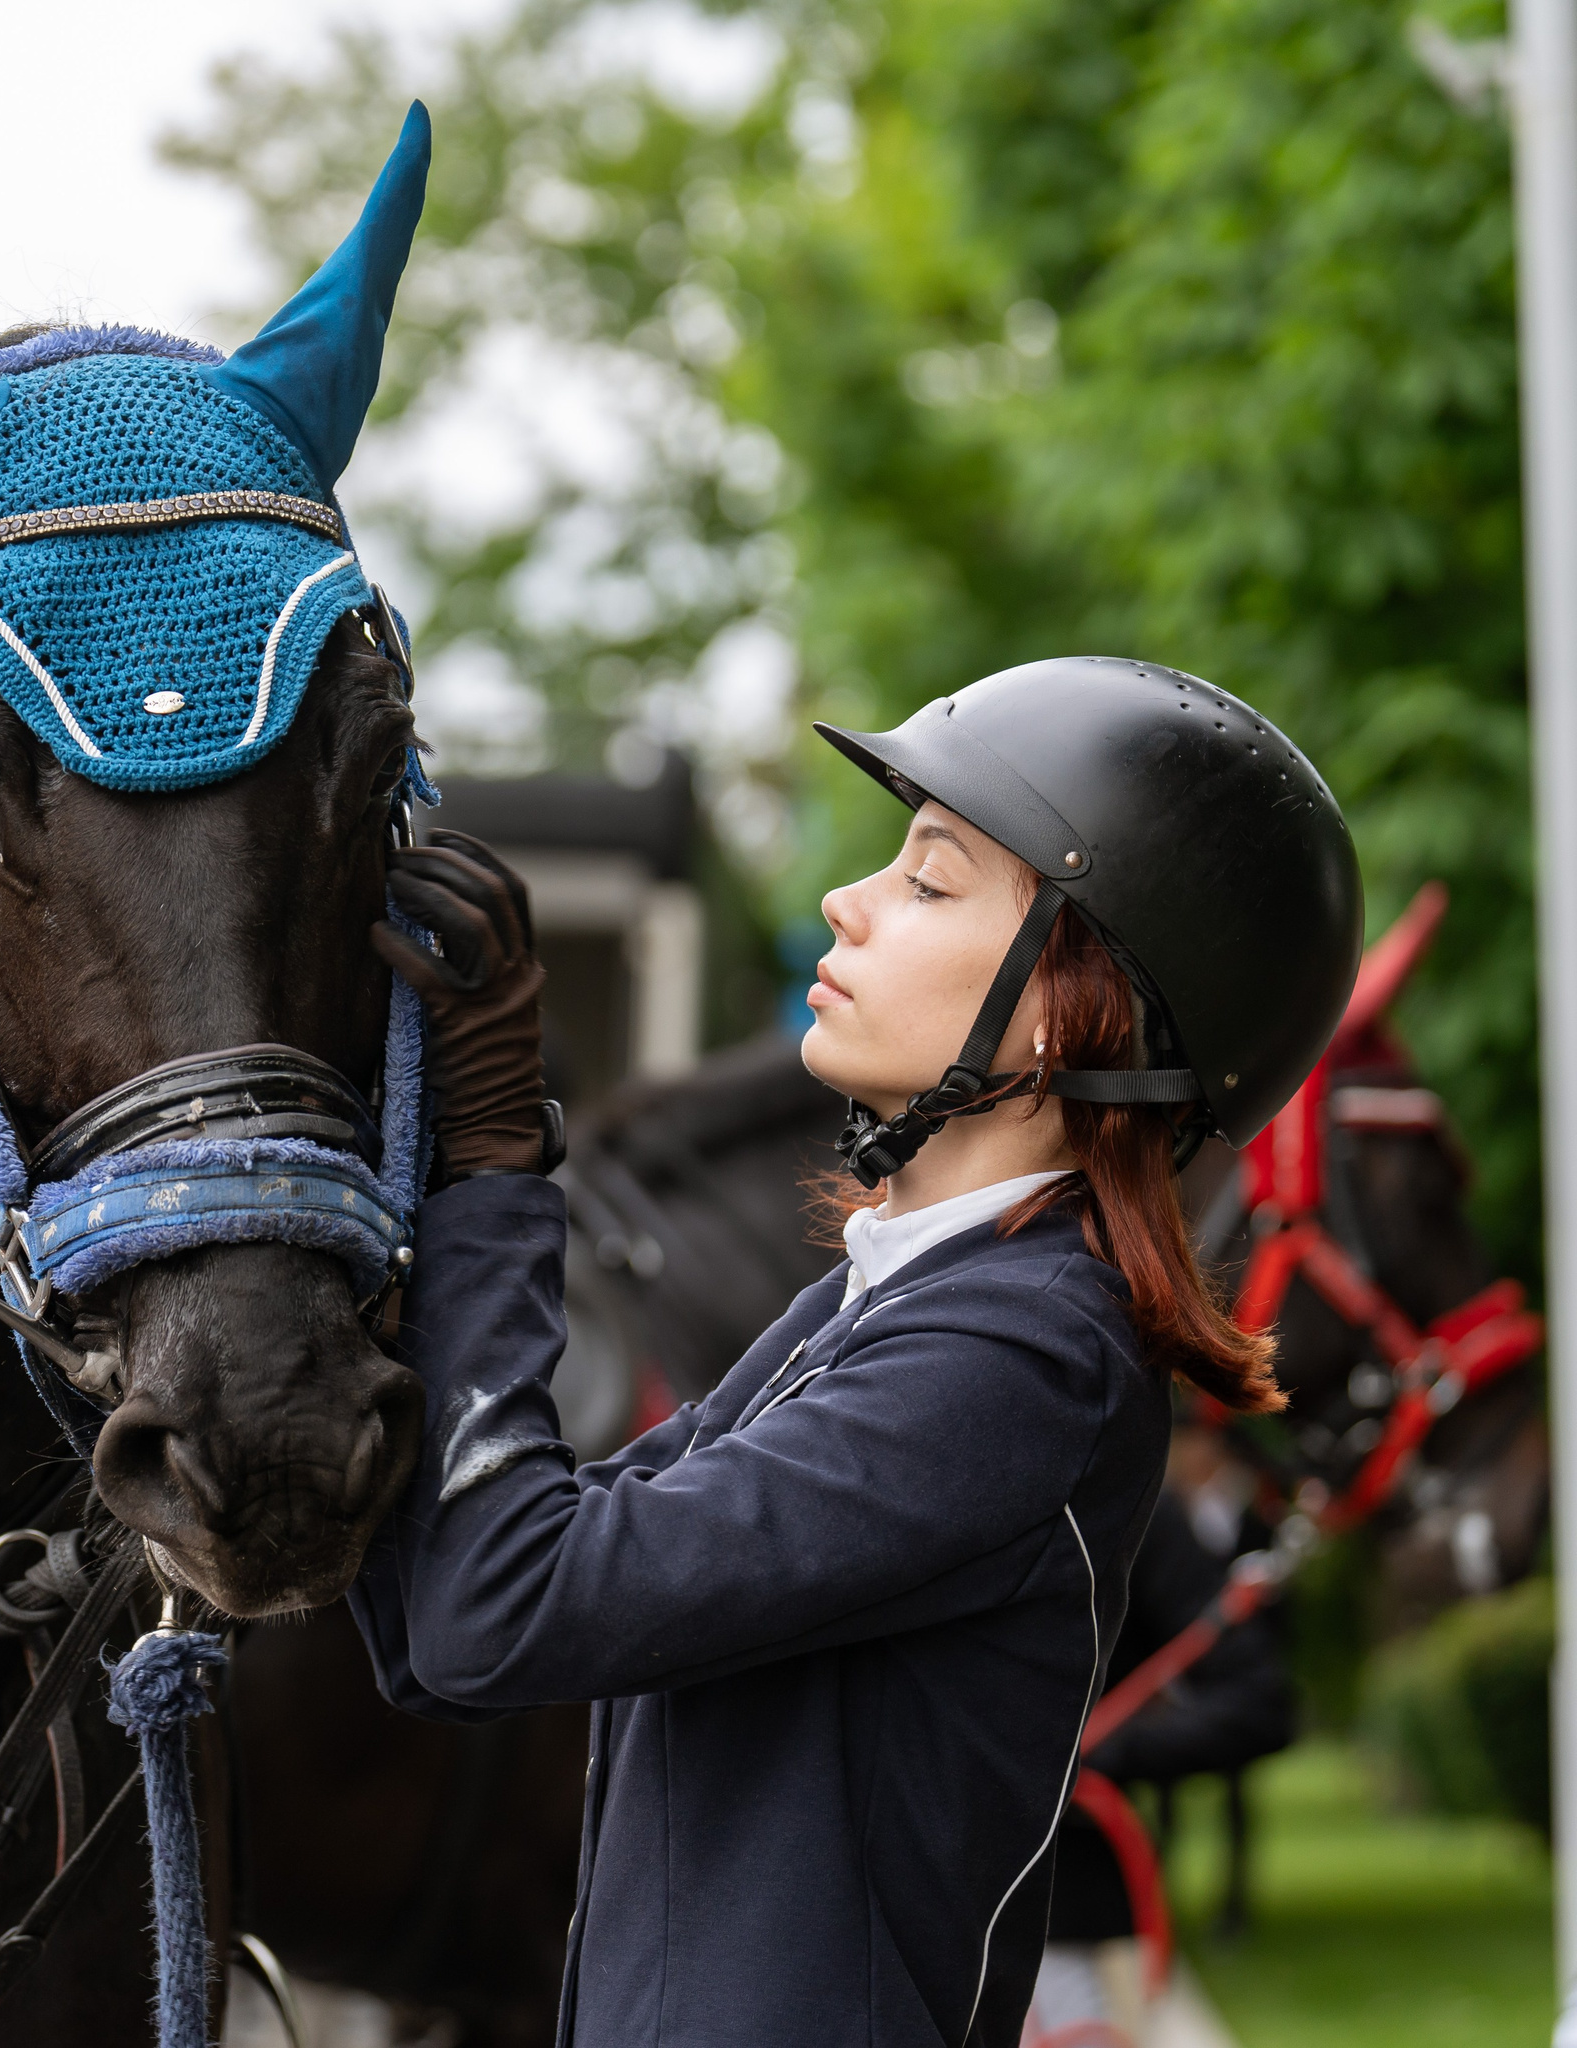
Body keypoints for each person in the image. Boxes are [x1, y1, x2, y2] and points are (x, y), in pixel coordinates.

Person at [349, 657, 1361, 2047]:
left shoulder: (1019, 1359)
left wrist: (494, 1175)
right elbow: (438, 1629)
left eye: (931, 882)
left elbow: (505, 1610)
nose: (848, 900)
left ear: (1076, 1011)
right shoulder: (894, 1302)